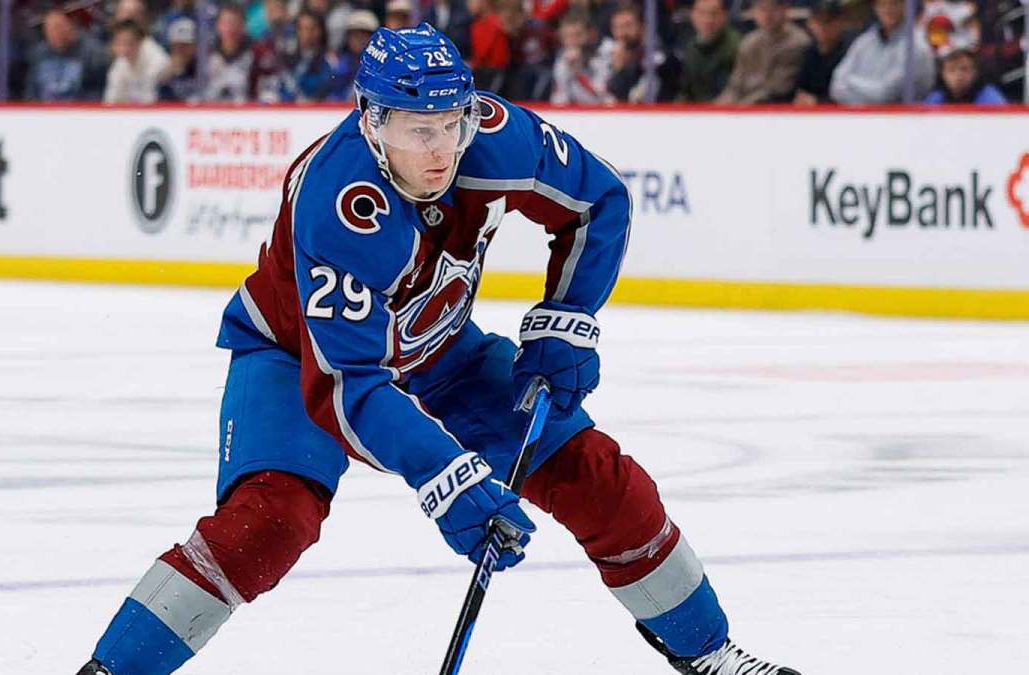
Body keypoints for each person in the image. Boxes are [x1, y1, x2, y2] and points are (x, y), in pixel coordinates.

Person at [75, 22, 802, 675]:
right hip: (298, 356)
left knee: (594, 473)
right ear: (371, 119)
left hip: (438, 348)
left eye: (451, 123)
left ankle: (709, 653)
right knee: (270, 521)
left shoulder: (495, 137)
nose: (442, 148)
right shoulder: (341, 202)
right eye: (418, 129)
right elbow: (348, 385)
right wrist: (445, 475)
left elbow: (599, 199)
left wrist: (567, 316)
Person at [829, 0, 935, 104]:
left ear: (905, 6)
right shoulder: (864, 41)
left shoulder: (916, 45)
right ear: (875, 7)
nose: (888, 9)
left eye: (894, 3)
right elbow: (835, 87)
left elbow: (884, 95)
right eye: (882, 4)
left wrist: (849, 81)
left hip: (904, 119)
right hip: (859, 117)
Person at [716, 0, 810, 103]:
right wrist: (718, 107)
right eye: (761, 9)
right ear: (753, 12)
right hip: (742, 106)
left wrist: (741, 107)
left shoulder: (798, 42)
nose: (767, 15)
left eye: (773, 9)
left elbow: (777, 89)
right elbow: (735, 85)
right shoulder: (749, 42)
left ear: (785, 9)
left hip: (774, 108)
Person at [24, 7, 108, 101]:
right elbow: (31, 91)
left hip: (78, 111)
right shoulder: (39, 54)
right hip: (44, 112)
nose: (54, 33)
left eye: (58, 27)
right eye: (49, 29)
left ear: (70, 26)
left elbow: (98, 91)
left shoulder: (92, 53)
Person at [677, 0, 741, 102]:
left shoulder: (737, 46)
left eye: (714, 13)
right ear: (692, 16)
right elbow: (685, 91)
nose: (708, 20)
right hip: (697, 113)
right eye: (702, 13)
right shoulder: (691, 48)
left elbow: (736, 90)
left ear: (725, 15)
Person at [793, 0, 852, 104]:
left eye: (829, 21)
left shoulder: (851, 52)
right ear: (810, 23)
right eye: (817, 20)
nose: (822, 27)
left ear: (842, 22)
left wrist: (818, 102)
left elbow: (850, 95)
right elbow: (801, 88)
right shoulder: (810, 52)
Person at [924, 39, 1008, 104]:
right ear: (942, 73)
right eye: (951, 69)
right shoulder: (934, 100)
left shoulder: (991, 99)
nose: (958, 75)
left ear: (975, 71)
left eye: (964, 69)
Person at [104, 19, 169, 103]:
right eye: (119, 43)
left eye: (129, 43)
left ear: (140, 41)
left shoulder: (157, 61)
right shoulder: (120, 63)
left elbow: (150, 100)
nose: (124, 48)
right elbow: (111, 100)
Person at [550, 9, 608, 103]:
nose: (572, 41)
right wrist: (567, 70)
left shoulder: (600, 57)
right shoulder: (560, 60)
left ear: (589, 35)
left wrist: (577, 72)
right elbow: (559, 100)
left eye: (578, 35)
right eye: (567, 36)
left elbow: (599, 100)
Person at [279, 10, 334, 101]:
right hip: (288, 111)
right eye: (301, 28)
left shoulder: (329, 60)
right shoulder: (288, 58)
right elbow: (281, 86)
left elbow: (323, 88)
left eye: (310, 28)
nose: (305, 34)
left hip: (317, 110)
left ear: (319, 31)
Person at [204, 4, 254, 102]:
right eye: (226, 23)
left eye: (235, 23)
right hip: (210, 112)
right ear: (218, 25)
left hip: (244, 112)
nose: (230, 28)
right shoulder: (206, 54)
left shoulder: (255, 54)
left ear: (243, 26)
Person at [328, 9, 378, 100]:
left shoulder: (380, 68)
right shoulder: (339, 64)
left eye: (364, 35)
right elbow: (333, 96)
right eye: (355, 35)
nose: (359, 40)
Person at [158, 17, 201, 102]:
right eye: (177, 46)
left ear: (195, 46)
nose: (180, 50)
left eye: (186, 45)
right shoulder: (164, 69)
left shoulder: (204, 68)